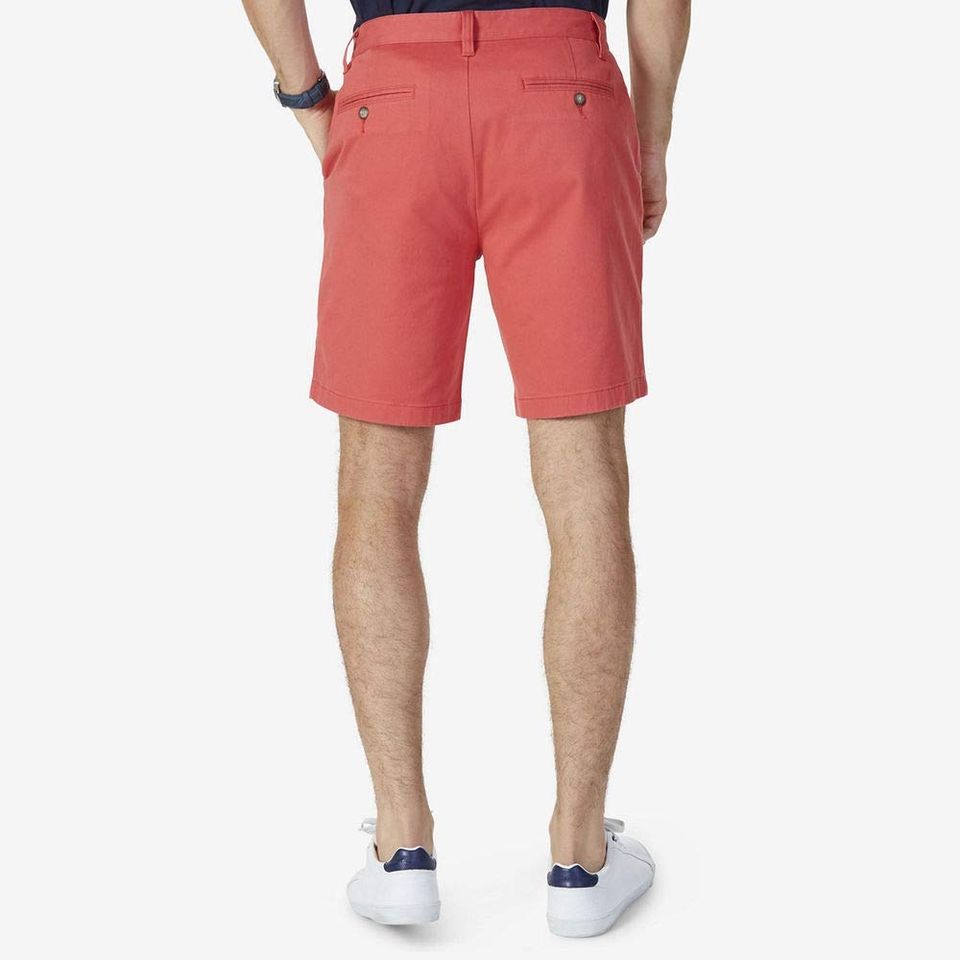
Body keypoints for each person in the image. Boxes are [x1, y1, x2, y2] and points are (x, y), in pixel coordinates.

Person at [241, 0, 690, 938]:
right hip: (561, 102)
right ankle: (579, 856)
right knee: (585, 475)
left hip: (394, 100)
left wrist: (308, 96)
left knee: (377, 479)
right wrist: (649, 139)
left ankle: (402, 846)